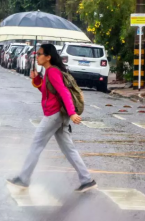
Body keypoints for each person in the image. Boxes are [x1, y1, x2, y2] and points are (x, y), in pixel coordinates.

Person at [7, 44, 97, 193]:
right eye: (37, 53)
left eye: (40, 54)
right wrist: (36, 80)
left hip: (54, 115)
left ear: (48, 57)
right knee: (69, 149)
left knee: (36, 145)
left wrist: (72, 113)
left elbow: (64, 93)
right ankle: (87, 180)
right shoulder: (49, 71)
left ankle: (23, 179)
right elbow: (46, 91)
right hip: (58, 115)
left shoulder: (53, 72)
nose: (37, 56)